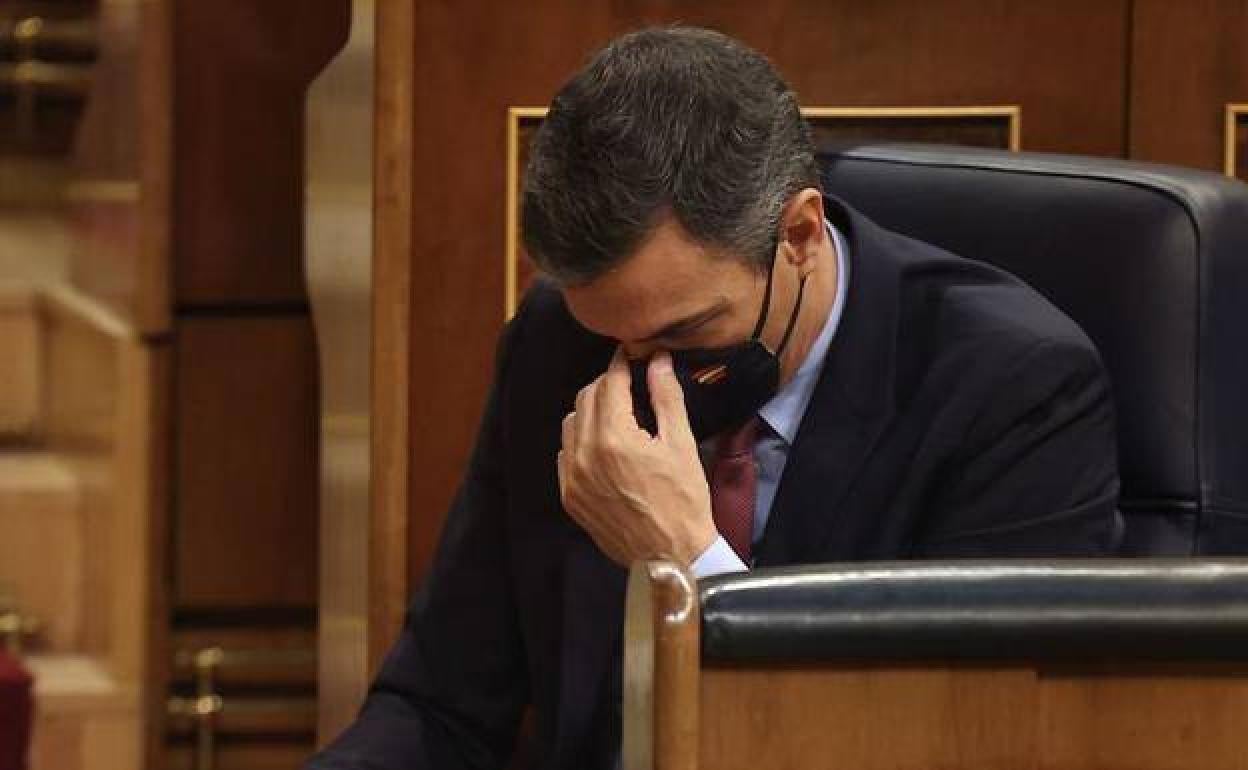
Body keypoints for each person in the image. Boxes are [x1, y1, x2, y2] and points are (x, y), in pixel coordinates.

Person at [308, 25, 1122, 770]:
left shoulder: (1012, 390)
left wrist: (691, 567)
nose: (641, 372)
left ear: (799, 235)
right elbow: (440, 705)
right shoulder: (559, 343)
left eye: (685, 331)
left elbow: (969, 745)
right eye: (611, 336)